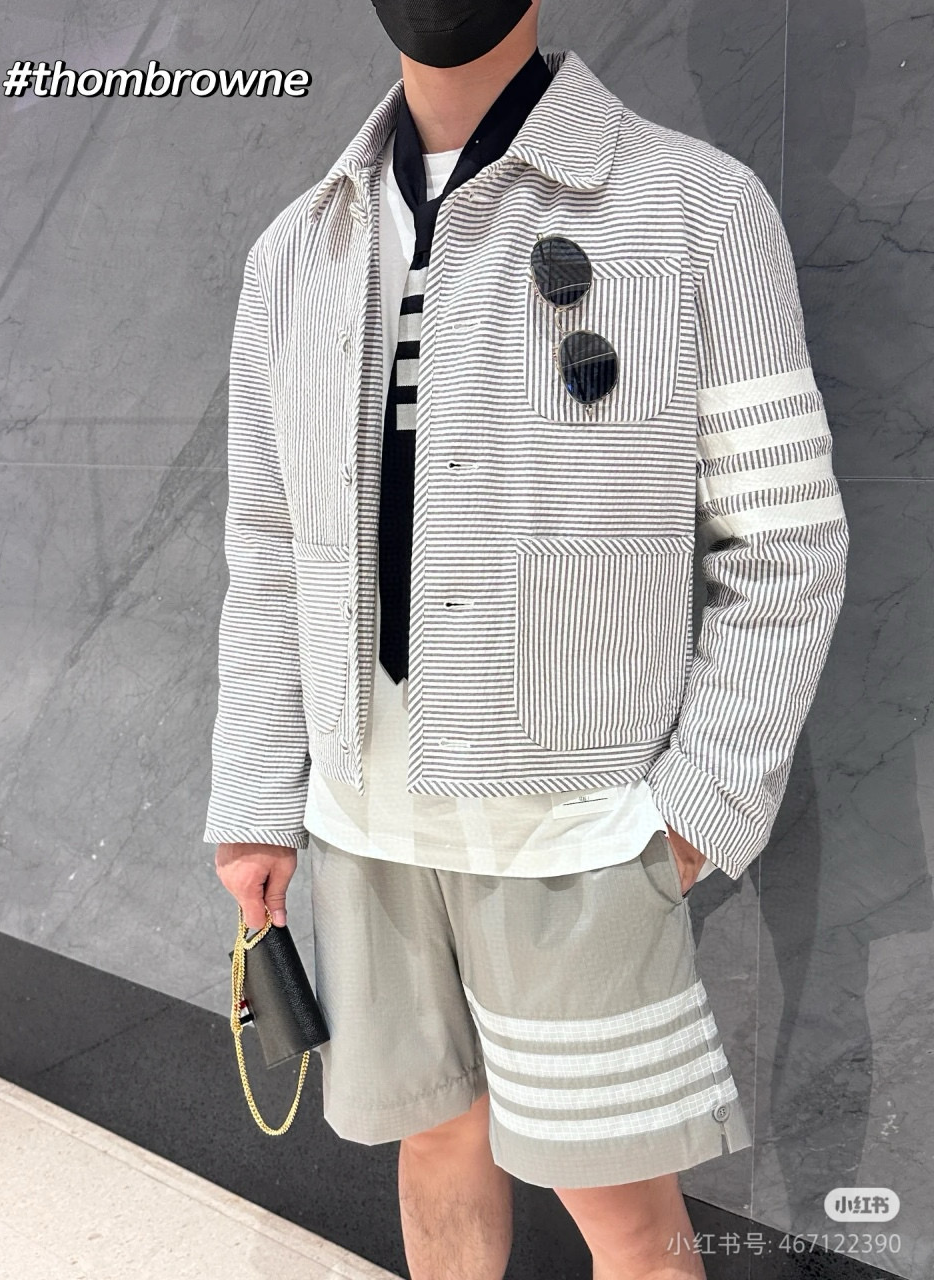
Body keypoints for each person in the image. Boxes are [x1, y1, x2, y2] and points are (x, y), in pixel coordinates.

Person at [207, 2, 849, 1277]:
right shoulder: (298, 249)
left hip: (578, 830)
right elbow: (271, 548)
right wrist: (257, 799)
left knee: (628, 1217)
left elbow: (786, 539)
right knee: (437, 1137)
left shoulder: (695, 209)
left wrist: (697, 807)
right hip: (362, 818)